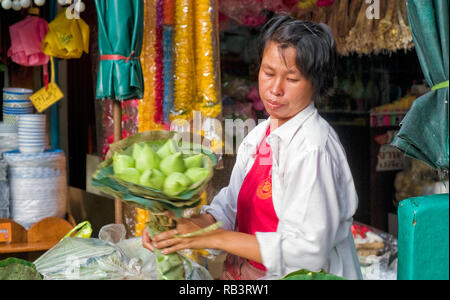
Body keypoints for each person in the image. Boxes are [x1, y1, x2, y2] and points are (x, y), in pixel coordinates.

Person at [142, 14, 363, 280]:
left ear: (315, 83)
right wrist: (184, 229)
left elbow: (306, 253)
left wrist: (214, 239)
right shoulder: (260, 135)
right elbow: (230, 206)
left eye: (291, 79)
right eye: (268, 73)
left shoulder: (313, 148)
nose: (275, 89)